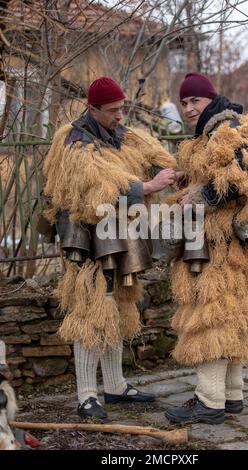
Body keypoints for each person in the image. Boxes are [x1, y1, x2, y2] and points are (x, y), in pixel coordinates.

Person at [42, 76, 178, 419]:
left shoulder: (119, 132)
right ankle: (86, 395)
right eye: (113, 110)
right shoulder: (75, 140)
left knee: (117, 305)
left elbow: (154, 153)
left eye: (122, 108)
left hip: (116, 230)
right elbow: (97, 188)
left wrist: (169, 169)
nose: (120, 116)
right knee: (92, 309)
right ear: (93, 109)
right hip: (84, 234)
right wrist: (147, 185)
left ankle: (115, 387)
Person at [164, 72, 248, 425]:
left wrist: (201, 195)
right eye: (183, 102)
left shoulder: (225, 130)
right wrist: (192, 179)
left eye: (194, 101)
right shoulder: (213, 131)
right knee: (231, 316)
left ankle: (209, 401)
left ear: (209, 99)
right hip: (231, 244)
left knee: (210, 318)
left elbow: (246, 179)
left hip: (222, 245)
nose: (187, 108)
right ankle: (231, 396)